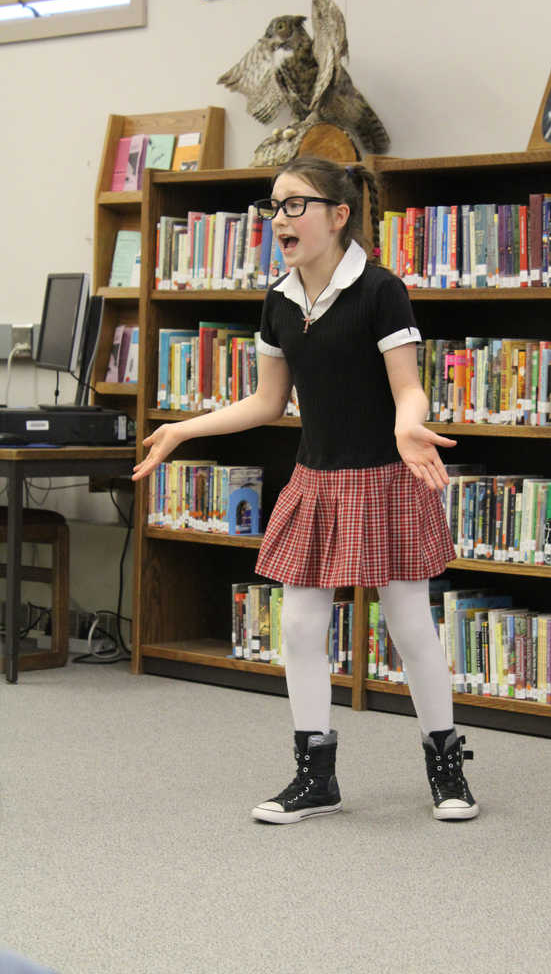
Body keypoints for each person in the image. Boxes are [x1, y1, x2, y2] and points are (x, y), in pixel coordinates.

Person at [132, 155, 479, 824]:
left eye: (295, 204)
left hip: (385, 476)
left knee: (410, 626)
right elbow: (267, 402)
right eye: (274, 206)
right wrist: (182, 428)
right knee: (298, 626)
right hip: (315, 478)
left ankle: (445, 769)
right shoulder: (278, 299)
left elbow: (408, 387)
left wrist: (410, 428)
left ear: (338, 214)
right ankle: (314, 775)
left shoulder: (380, 289)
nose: (279, 219)